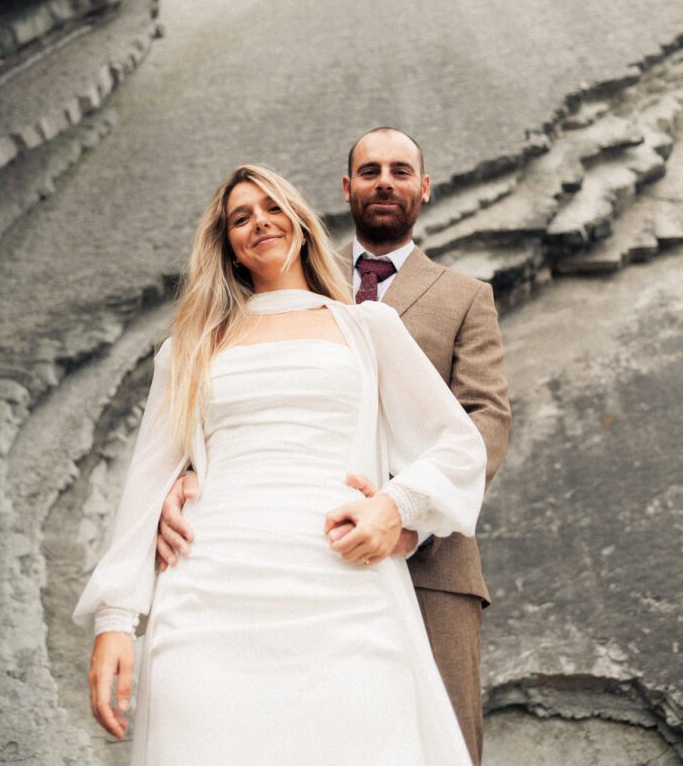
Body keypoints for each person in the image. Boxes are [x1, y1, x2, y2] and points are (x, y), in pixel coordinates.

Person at [75, 163, 487, 765]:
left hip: (343, 581)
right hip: (209, 589)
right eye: (241, 217)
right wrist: (115, 617)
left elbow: (457, 446)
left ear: (299, 221)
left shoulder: (366, 327)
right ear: (229, 247)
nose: (260, 222)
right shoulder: (190, 349)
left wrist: (395, 510)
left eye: (272, 208)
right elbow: (146, 483)